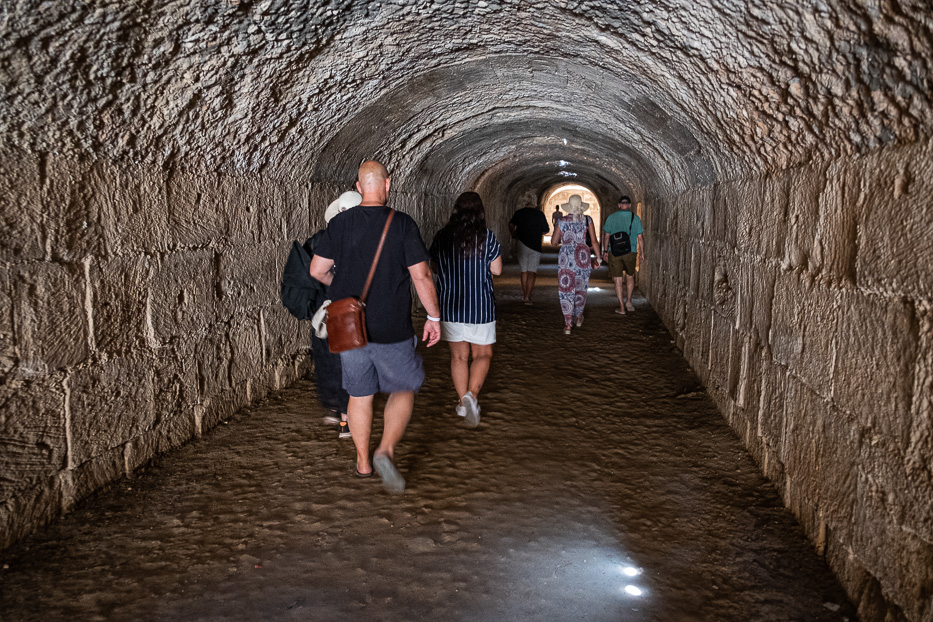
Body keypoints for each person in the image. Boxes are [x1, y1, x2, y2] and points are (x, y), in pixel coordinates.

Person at [309, 161, 442, 493]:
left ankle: (363, 461)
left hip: (350, 328)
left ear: (358, 186)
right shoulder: (402, 224)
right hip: (391, 327)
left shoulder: (338, 223)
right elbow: (421, 275)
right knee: (403, 388)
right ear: (387, 184)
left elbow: (317, 270)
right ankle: (386, 449)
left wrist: (338, 289)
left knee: (359, 395)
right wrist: (434, 317)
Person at [429, 192, 502, 428]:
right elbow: (497, 269)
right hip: (480, 306)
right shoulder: (487, 237)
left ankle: (462, 402)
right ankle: (472, 394)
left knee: (458, 356)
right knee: (482, 355)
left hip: (450, 306)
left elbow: (433, 266)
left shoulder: (442, 237)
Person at [308, 190, 361, 439]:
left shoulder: (324, 239)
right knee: (351, 362)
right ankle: (346, 421)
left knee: (334, 358)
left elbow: (316, 272)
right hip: (353, 308)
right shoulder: (364, 241)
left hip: (331, 306)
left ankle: (339, 414)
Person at [551, 194, 601, 334]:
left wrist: (566, 241)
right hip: (582, 256)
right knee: (581, 287)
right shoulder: (587, 220)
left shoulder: (561, 220)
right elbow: (594, 241)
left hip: (566, 258)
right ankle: (578, 317)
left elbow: (554, 242)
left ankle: (568, 324)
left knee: (566, 289)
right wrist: (598, 259)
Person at [601, 195, 645, 315]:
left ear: (619, 205)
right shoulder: (635, 218)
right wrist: (642, 252)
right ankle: (629, 302)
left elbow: (606, 236)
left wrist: (605, 251)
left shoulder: (611, 218)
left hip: (614, 251)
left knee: (618, 280)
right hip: (630, 250)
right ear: (630, 205)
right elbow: (640, 238)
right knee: (630, 276)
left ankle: (621, 307)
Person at [508, 200, 550, 304]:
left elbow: (511, 224)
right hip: (535, 246)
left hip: (522, 244)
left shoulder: (519, 212)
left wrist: (513, 234)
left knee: (524, 271)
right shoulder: (539, 214)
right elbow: (546, 230)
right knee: (532, 271)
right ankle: (528, 297)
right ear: (535, 204)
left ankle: (524, 295)